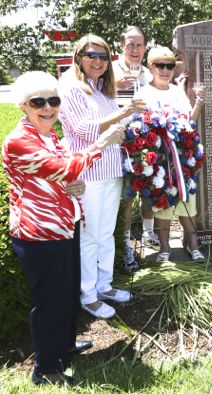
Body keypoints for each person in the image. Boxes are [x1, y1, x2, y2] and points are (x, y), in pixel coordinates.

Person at [2, 71, 124, 385]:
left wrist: (74, 186)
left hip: (65, 225)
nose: (48, 107)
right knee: (49, 302)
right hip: (40, 233)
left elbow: (63, 173)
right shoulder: (19, 141)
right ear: (24, 106)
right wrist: (101, 143)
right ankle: (46, 367)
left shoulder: (50, 135)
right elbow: (62, 167)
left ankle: (64, 346)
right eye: (38, 101)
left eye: (53, 100)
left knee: (68, 294)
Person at [58, 34, 145, 319]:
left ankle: (104, 285)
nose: (97, 61)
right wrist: (124, 113)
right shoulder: (70, 87)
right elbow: (84, 129)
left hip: (111, 170)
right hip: (88, 173)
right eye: (91, 55)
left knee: (106, 233)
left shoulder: (101, 90)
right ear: (79, 57)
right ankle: (88, 295)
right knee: (90, 236)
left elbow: (114, 130)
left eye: (103, 56)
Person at [135, 46, 206, 262]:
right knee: (162, 204)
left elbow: (189, 122)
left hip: (181, 157)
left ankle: (193, 244)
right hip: (159, 159)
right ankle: (164, 248)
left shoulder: (177, 91)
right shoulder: (143, 93)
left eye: (170, 66)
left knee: (188, 201)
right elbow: (140, 125)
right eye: (160, 65)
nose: (165, 70)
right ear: (151, 67)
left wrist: (199, 102)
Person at [113, 26, 158, 271]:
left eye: (139, 44)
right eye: (130, 44)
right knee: (127, 198)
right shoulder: (109, 70)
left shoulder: (147, 73)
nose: (134, 49)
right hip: (121, 144)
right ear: (122, 46)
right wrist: (113, 86)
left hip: (147, 139)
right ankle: (126, 245)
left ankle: (149, 233)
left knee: (149, 189)